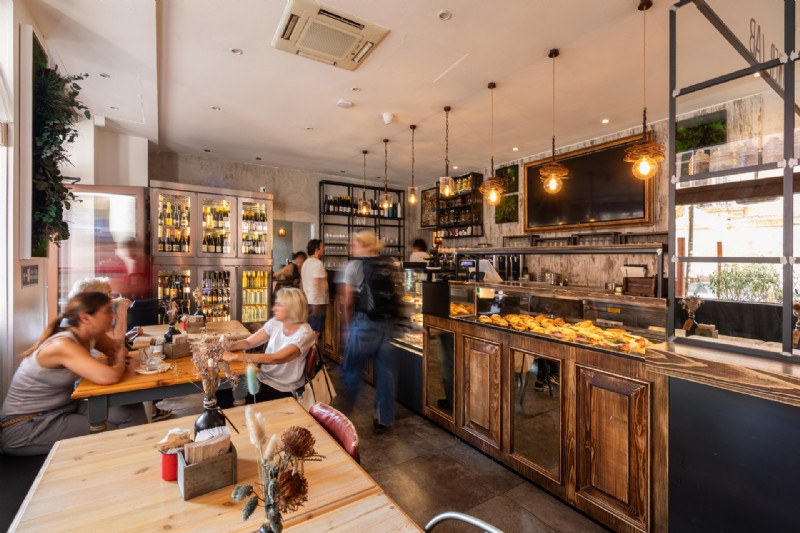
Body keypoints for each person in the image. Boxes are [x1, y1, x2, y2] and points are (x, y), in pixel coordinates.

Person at [0, 292, 147, 455]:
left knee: (130, 411)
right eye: (107, 311)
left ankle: (144, 458)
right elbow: (109, 376)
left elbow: (118, 348)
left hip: (64, 408)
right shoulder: (62, 344)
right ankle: (131, 467)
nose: (113, 314)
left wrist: (116, 359)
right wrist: (118, 362)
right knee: (112, 432)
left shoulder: (90, 335)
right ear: (85, 318)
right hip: (27, 425)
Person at [340, 230, 402, 434]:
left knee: (351, 368)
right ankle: (384, 419)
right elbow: (399, 294)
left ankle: (339, 418)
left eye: (355, 243)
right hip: (388, 325)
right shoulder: (391, 263)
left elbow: (348, 301)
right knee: (386, 375)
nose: (352, 247)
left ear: (363, 245)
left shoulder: (354, 266)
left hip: (364, 324)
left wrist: (349, 327)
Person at [218, 287, 316, 406]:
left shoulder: (305, 333)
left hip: (283, 388)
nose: (274, 308)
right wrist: (227, 347)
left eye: (279, 305)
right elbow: (249, 343)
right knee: (220, 393)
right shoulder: (276, 322)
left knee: (225, 400)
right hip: (262, 378)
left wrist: (236, 356)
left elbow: (276, 358)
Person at [68, 276, 131, 343]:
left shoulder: (97, 313)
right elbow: (116, 341)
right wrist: (122, 311)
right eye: (107, 294)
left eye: (110, 294)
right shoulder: (89, 316)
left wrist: (128, 335)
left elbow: (109, 338)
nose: (111, 298)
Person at [301, 239, 328, 336]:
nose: (324, 249)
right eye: (322, 247)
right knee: (315, 332)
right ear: (317, 249)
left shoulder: (305, 263)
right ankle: (314, 351)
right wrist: (316, 306)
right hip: (317, 302)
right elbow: (317, 284)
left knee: (309, 331)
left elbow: (301, 284)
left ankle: (310, 350)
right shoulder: (318, 264)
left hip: (307, 300)